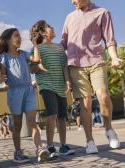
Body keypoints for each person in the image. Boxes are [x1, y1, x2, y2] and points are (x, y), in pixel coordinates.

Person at [61, 0, 122, 154]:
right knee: (85, 103)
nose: (73, 1)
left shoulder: (102, 12)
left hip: (96, 60)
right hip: (75, 65)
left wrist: (114, 57)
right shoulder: (69, 17)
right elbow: (63, 43)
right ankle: (90, 141)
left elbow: (109, 39)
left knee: (103, 96)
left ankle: (109, 129)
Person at [0, 28, 49, 163]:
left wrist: (35, 44)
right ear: (8, 40)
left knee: (32, 122)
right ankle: (18, 153)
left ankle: (40, 148)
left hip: (29, 90)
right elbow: (2, 76)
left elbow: (36, 59)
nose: (19, 38)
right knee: (17, 125)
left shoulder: (23, 54)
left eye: (19, 36)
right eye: (16, 36)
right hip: (14, 92)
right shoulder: (3, 57)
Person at [30, 20, 75, 158]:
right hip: (46, 85)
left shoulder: (60, 48)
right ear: (43, 33)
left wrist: (68, 81)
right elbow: (32, 69)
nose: (53, 27)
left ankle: (63, 146)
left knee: (62, 116)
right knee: (52, 113)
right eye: (49, 27)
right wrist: (38, 65)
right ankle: (50, 146)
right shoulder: (37, 49)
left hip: (60, 85)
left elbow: (64, 66)